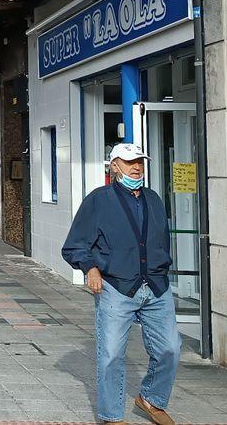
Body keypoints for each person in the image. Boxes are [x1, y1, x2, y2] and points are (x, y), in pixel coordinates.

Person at [62, 143, 180, 425]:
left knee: (170, 349)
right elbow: (74, 245)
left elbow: (161, 239)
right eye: (129, 162)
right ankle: (112, 416)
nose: (136, 166)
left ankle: (151, 398)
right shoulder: (98, 200)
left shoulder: (153, 198)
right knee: (112, 353)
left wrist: (162, 265)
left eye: (139, 161)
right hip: (116, 287)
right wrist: (90, 268)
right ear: (114, 166)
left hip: (156, 286)